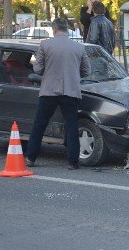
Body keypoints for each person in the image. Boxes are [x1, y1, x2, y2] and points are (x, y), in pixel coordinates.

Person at [25, 18, 91, 170]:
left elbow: (37, 69)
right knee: (71, 125)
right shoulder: (79, 47)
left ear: (54, 30)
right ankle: (73, 162)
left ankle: (31, 157)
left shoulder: (45, 45)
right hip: (70, 91)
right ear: (67, 29)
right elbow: (87, 71)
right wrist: (73, 73)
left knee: (40, 125)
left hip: (49, 90)